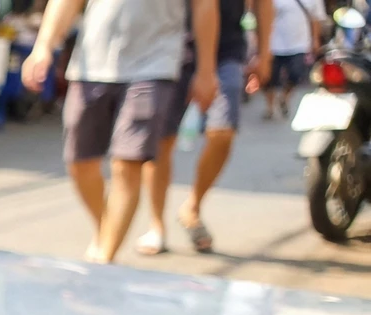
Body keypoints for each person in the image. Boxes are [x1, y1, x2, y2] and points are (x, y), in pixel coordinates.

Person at [24, 0, 218, 263]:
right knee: (80, 163)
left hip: (155, 64)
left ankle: (105, 257)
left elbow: (205, 6)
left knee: (127, 164)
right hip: (92, 63)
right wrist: (43, 46)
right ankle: (105, 229)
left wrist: (206, 70)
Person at [139, 0, 273, 255]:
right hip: (170, 47)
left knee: (223, 131)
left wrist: (264, 53)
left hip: (227, 51)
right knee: (161, 141)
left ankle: (193, 206)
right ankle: (156, 224)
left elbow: (264, 5)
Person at [267, 0, 326, 119]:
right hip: (274, 43)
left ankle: (284, 96)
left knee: (296, 74)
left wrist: (315, 39)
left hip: (299, 44)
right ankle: (270, 108)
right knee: (270, 78)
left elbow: (316, 19)